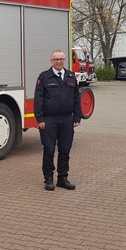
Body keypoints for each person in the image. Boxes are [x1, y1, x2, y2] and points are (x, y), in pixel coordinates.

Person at [33, 50, 82, 191]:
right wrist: (40, 118)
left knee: (65, 150)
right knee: (49, 150)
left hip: (67, 119)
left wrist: (77, 117)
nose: (59, 61)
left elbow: (76, 99)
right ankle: (48, 179)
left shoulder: (71, 77)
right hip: (49, 120)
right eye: (56, 59)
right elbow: (38, 99)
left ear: (64, 60)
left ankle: (62, 178)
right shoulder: (44, 77)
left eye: (61, 59)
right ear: (51, 61)